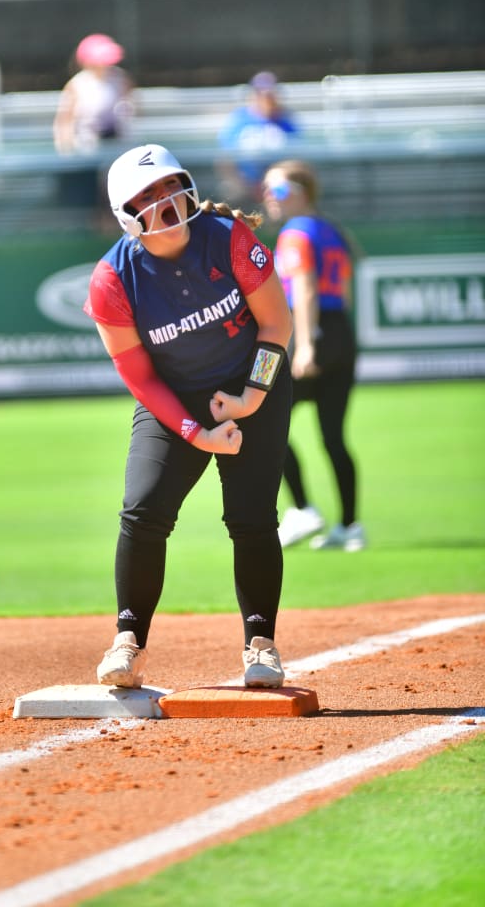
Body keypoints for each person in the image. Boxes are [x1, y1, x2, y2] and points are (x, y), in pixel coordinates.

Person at [84, 144, 293, 690]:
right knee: (143, 509)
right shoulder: (113, 278)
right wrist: (193, 432)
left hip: (251, 387)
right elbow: (141, 376)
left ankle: (261, 645)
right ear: (125, 212)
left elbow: (276, 324)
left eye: (171, 184)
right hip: (172, 399)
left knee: (251, 517)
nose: (166, 200)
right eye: (148, 195)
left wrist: (250, 397)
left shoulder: (228, 239)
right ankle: (127, 641)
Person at [262, 159, 365, 551]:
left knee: (263, 419)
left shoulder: (295, 234)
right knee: (334, 437)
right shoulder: (329, 228)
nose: (270, 197)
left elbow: (303, 290)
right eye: (267, 190)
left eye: (280, 190)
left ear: (302, 193)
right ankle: (350, 527)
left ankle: (304, 510)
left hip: (310, 333)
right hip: (340, 331)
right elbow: (346, 291)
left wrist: (305, 345)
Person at [216, 71, 300, 208]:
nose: (266, 98)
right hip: (243, 185)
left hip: (277, 183)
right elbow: (225, 159)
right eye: (261, 93)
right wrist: (244, 185)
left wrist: (273, 181)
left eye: (270, 93)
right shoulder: (238, 120)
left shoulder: (286, 120)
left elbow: (296, 158)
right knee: (229, 194)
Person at [53, 34, 134, 156]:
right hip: (86, 145)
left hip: (117, 143)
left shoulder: (120, 78)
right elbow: (64, 120)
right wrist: (66, 147)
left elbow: (130, 105)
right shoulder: (77, 84)